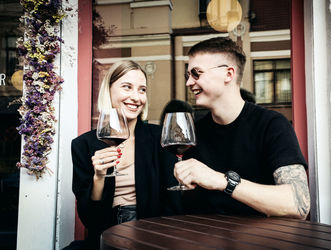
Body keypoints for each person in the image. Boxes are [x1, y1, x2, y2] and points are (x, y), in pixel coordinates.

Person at [174, 37, 311, 219]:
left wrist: (221, 181)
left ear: (229, 74)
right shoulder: (195, 132)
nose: (189, 83)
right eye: (188, 76)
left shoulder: (272, 125)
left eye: (196, 73)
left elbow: (299, 205)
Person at [69, 60, 181, 250]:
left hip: (152, 233)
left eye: (142, 90)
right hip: (105, 232)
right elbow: (89, 219)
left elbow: (173, 203)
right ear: (109, 90)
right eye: (127, 87)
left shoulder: (159, 137)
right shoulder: (82, 145)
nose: (136, 97)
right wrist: (99, 178)